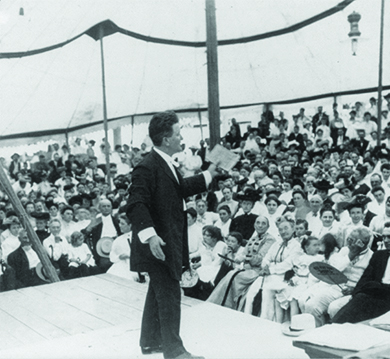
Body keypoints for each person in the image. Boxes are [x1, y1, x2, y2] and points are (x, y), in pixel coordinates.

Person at [127, 111, 219, 359]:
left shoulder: (166, 163)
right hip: (159, 244)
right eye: (178, 134)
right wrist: (151, 236)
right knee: (168, 294)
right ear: (166, 139)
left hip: (165, 242)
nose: (182, 139)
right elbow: (136, 204)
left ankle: (150, 341)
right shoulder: (147, 167)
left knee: (158, 291)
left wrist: (211, 173)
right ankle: (175, 352)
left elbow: (183, 188)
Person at [207, 215, 275, 310]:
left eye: (263, 223)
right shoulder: (253, 238)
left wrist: (245, 259)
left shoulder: (270, 239)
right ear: (254, 225)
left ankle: (228, 306)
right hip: (247, 268)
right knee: (231, 273)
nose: (260, 225)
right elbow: (243, 254)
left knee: (235, 276)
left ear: (268, 227)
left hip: (257, 271)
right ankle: (217, 304)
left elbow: (259, 258)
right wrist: (238, 258)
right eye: (258, 223)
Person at [332, 222, 390, 323]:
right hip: (376, 295)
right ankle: (332, 329)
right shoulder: (379, 255)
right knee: (358, 299)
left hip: (386, 296)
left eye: (389, 237)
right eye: (384, 237)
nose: (385, 240)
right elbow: (365, 279)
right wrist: (355, 294)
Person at [107, 213, 139, 281]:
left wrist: (129, 255)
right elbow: (112, 256)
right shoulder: (118, 240)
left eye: (122, 224)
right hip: (121, 264)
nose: (119, 225)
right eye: (119, 223)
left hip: (136, 264)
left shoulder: (138, 237)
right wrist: (119, 257)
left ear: (130, 225)